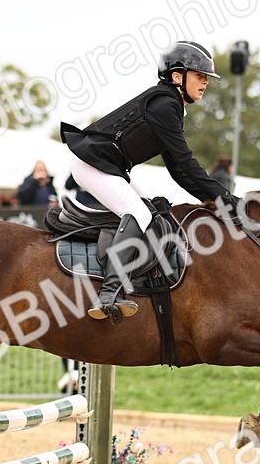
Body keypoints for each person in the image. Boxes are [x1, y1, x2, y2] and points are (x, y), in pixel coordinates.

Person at [61, 40, 241, 324]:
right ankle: (109, 294)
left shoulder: (171, 105)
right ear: (177, 76)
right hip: (92, 162)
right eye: (200, 76)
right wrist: (227, 199)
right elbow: (186, 163)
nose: (205, 83)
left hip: (108, 165)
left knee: (151, 212)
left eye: (207, 78)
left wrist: (217, 201)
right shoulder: (163, 104)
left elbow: (179, 172)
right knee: (139, 213)